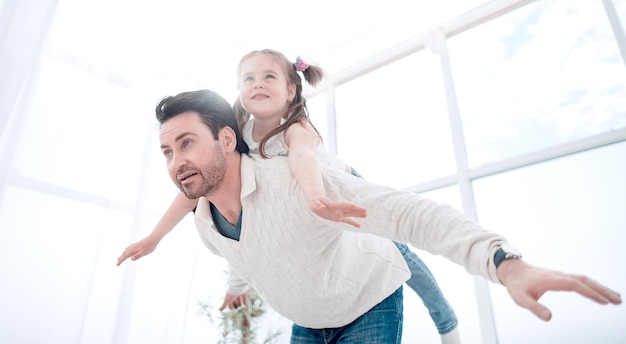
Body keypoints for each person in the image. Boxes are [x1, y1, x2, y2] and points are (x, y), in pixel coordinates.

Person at [151, 88, 620, 343]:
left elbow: (407, 213)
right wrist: (234, 291)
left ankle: (449, 326)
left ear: (228, 140)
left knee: (400, 251)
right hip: (308, 323)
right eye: (168, 151)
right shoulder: (203, 224)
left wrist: (505, 262)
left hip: (369, 302)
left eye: (187, 143)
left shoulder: (293, 181)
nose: (176, 163)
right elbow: (243, 257)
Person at [118, 50, 461, 342]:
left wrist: (315, 198)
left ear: (291, 90)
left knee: (397, 254)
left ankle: (445, 318)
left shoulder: (297, 128)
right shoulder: (237, 136)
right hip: (306, 205)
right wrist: (154, 237)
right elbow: (196, 192)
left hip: (335, 187)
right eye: (249, 79)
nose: (258, 84)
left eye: (269, 77)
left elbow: (302, 160)